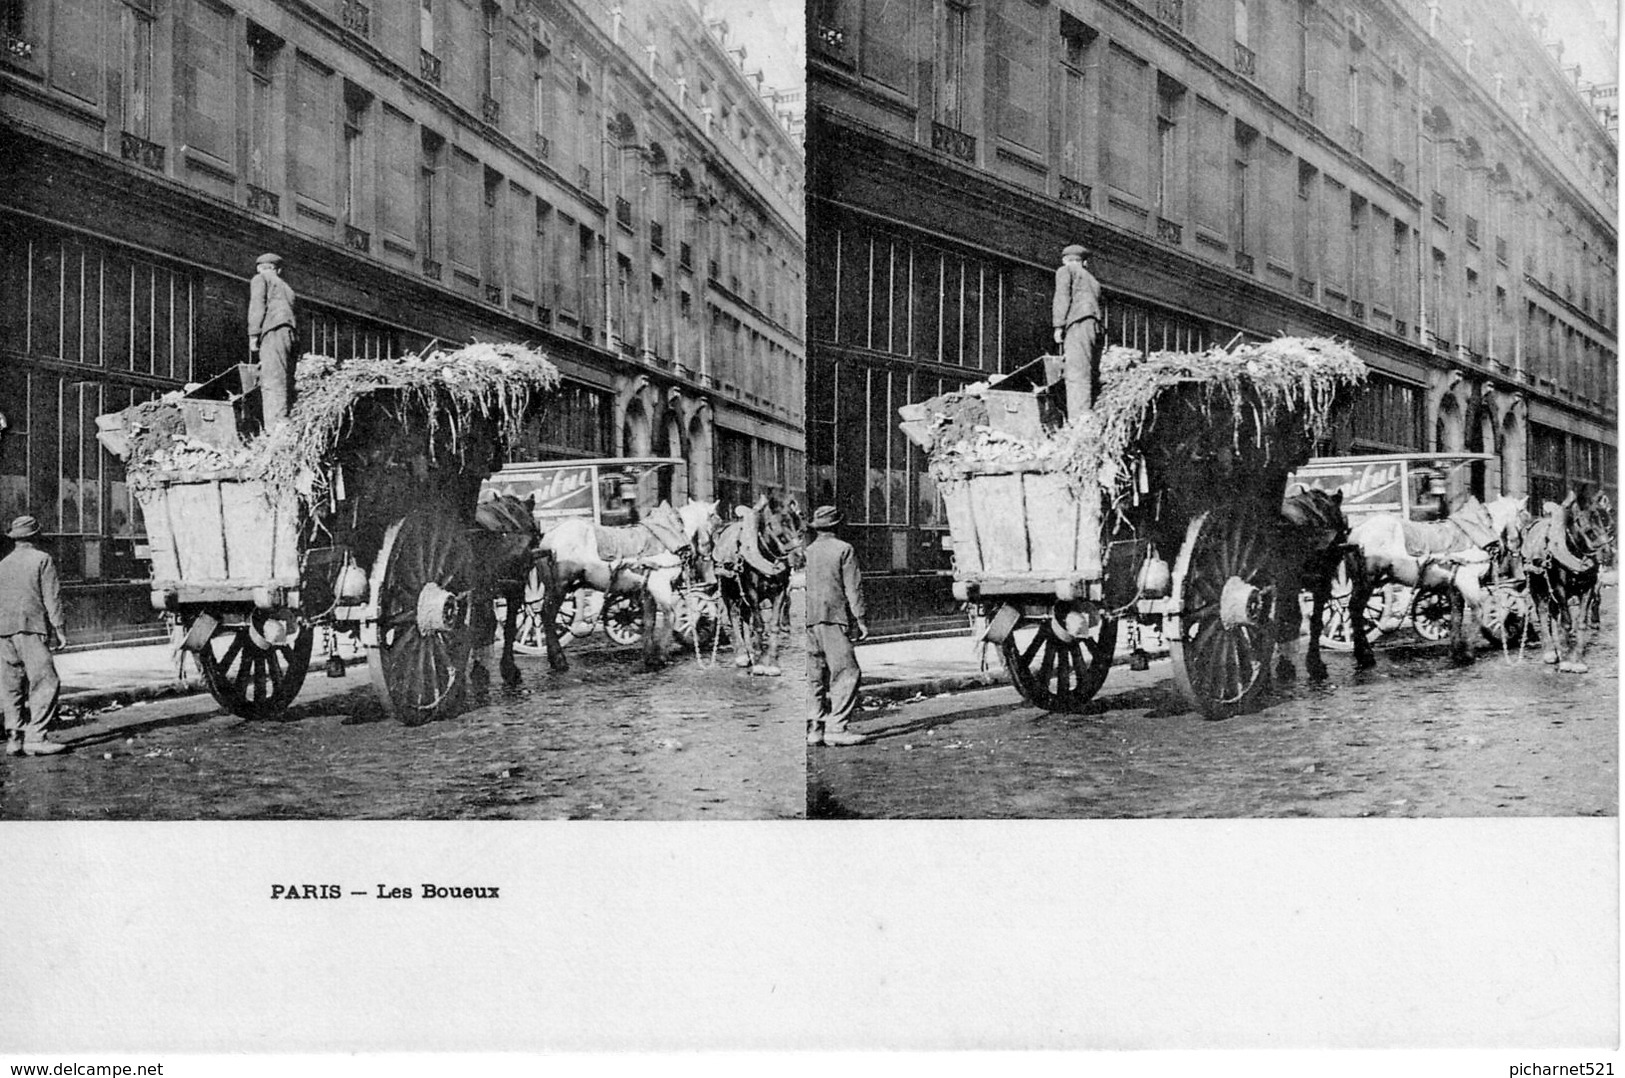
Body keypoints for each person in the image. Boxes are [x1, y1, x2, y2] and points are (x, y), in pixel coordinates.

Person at [0, 516, 69, 756]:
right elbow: (53, 597)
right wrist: (59, 629)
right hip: (31, 628)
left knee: (11, 685)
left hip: (4, 631)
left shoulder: (3, 564)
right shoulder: (43, 559)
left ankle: (14, 738)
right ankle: (37, 737)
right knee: (45, 681)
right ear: (36, 536)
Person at [804, 505, 868, 747]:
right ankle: (837, 728)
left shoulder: (808, 551)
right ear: (838, 526)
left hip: (809, 620)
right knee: (847, 672)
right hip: (834, 618)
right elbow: (853, 588)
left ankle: (815, 728)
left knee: (814, 675)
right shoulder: (844, 550)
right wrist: (860, 619)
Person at [1051, 243, 1103, 418]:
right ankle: (1088, 412)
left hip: (1078, 323)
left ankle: (1078, 420)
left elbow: (1062, 297)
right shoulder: (1092, 280)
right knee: (1089, 370)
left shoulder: (1065, 271)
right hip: (1095, 325)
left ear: (1065, 261)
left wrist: (1058, 326)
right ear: (1084, 263)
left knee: (1076, 371)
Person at [247, 252, 298, 429]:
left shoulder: (260, 279)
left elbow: (257, 306)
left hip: (273, 330)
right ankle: (285, 418)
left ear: (260, 268)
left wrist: (254, 334)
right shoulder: (286, 287)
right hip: (289, 332)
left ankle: (276, 426)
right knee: (285, 376)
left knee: (272, 377)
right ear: (278, 270)